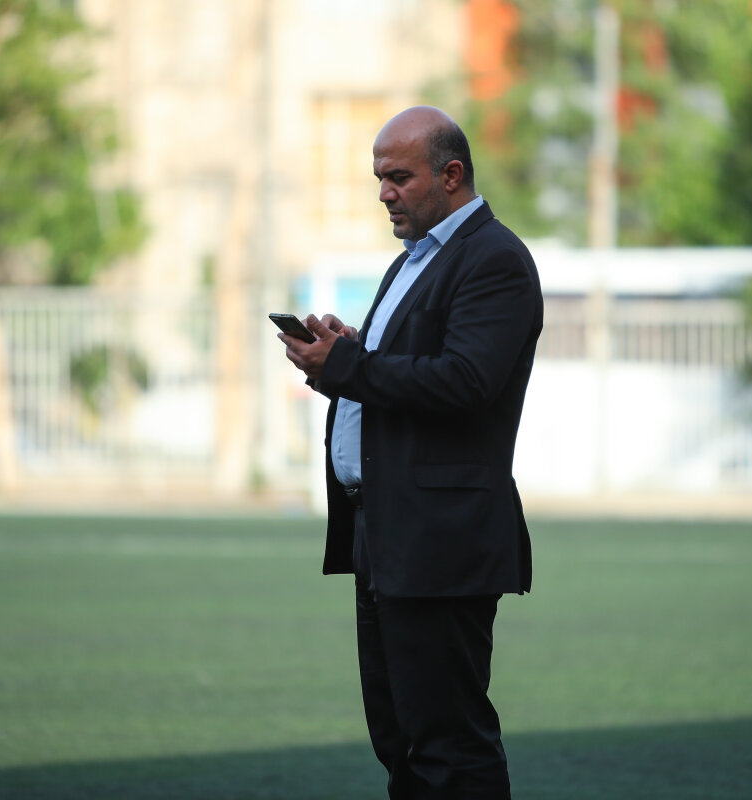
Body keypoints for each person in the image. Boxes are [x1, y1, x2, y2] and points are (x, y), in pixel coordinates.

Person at [279, 105, 542, 800]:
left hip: (441, 541)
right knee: (400, 742)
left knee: (449, 744)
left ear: (451, 175)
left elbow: (466, 381)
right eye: (379, 178)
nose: (384, 194)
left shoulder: (494, 259)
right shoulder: (413, 261)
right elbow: (400, 374)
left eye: (399, 177)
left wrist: (348, 366)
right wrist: (342, 356)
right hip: (386, 532)